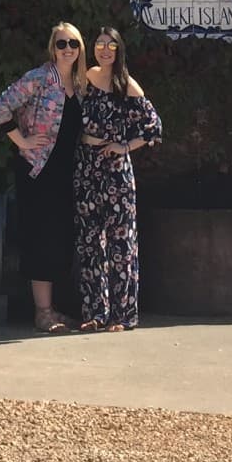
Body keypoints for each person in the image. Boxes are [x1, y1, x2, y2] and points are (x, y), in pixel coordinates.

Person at [0, 21, 87, 332]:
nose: (68, 49)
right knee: (41, 239)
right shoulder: (40, 78)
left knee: (60, 240)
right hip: (38, 170)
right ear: (52, 47)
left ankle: (52, 309)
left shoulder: (80, 83)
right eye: (62, 44)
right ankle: (42, 312)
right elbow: (2, 106)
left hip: (65, 173)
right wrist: (21, 141)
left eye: (73, 43)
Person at [74, 27, 163, 333]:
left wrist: (125, 146)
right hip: (87, 168)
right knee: (90, 242)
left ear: (119, 50)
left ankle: (123, 316)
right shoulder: (85, 77)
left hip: (115, 170)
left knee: (120, 243)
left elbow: (153, 127)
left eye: (111, 45)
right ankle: (96, 312)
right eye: (100, 44)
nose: (105, 49)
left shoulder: (125, 83)